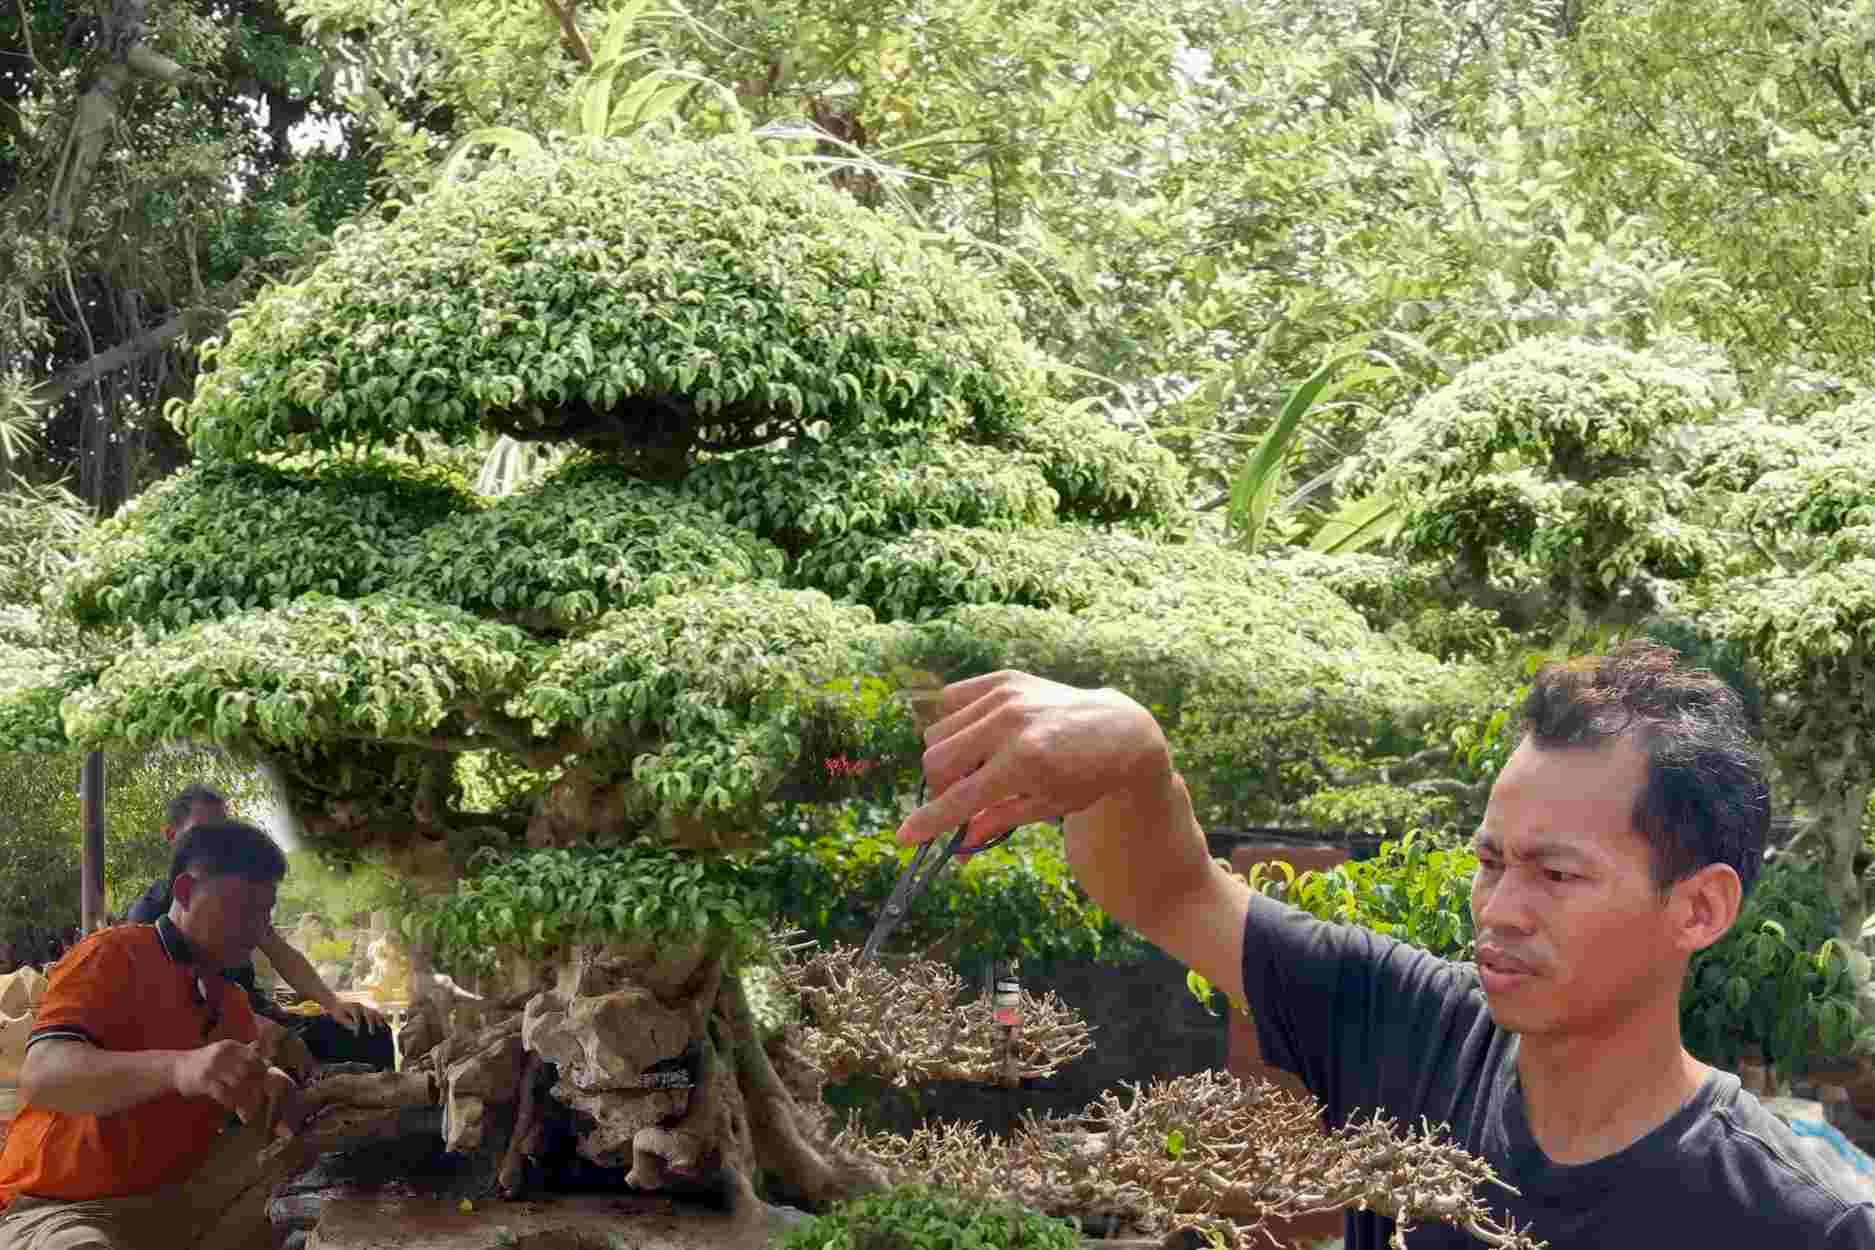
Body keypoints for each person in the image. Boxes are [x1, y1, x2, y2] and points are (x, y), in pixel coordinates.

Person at [896, 643, 1875, 1247]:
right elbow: (1167, 885)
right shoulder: (1412, 1025)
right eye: (1491, 860)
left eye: (1557, 872)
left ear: (1697, 908)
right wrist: (1131, 755)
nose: (1500, 907)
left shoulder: (1795, 1222)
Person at [0, 819, 308, 1250]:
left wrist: (272, 1083)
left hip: (174, 1202)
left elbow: (237, 1089)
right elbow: (43, 1075)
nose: (257, 929)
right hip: (61, 1207)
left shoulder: (232, 1001)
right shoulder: (111, 954)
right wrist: (181, 1067)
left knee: (306, 1177)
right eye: (242, 909)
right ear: (184, 891)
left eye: (265, 913)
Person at [126, 786, 392, 1072]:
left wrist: (333, 1003)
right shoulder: (140, 926)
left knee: (368, 1032)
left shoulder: (244, 905)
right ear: (185, 892)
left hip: (257, 1018)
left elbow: (278, 952)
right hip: (213, 1038)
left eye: (224, 832)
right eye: (204, 834)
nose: (220, 845)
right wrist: (246, 1029)